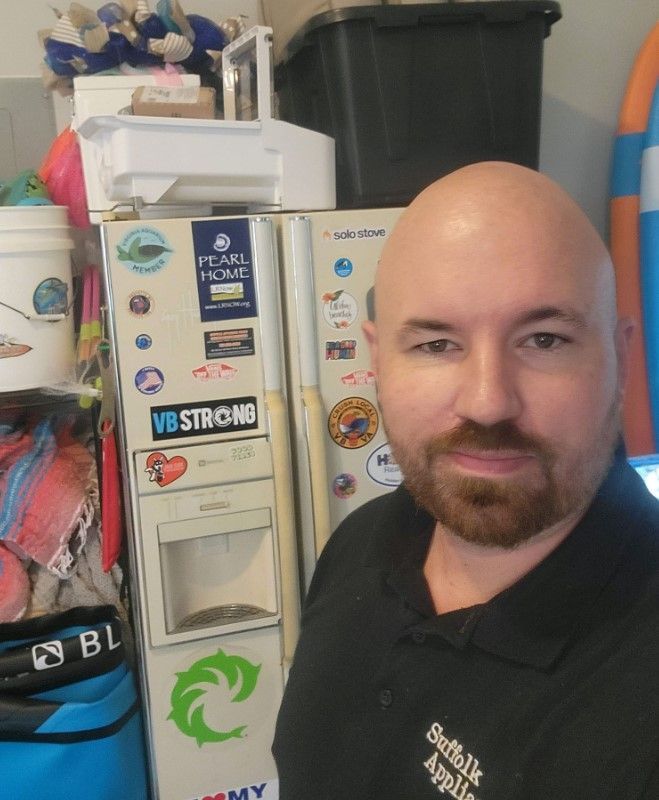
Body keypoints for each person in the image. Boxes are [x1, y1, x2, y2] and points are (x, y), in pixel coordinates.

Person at [272, 162, 659, 799]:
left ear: (619, 360)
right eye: (436, 345)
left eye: (543, 339)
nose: (487, 402)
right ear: (376, 362)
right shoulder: (365, 542)